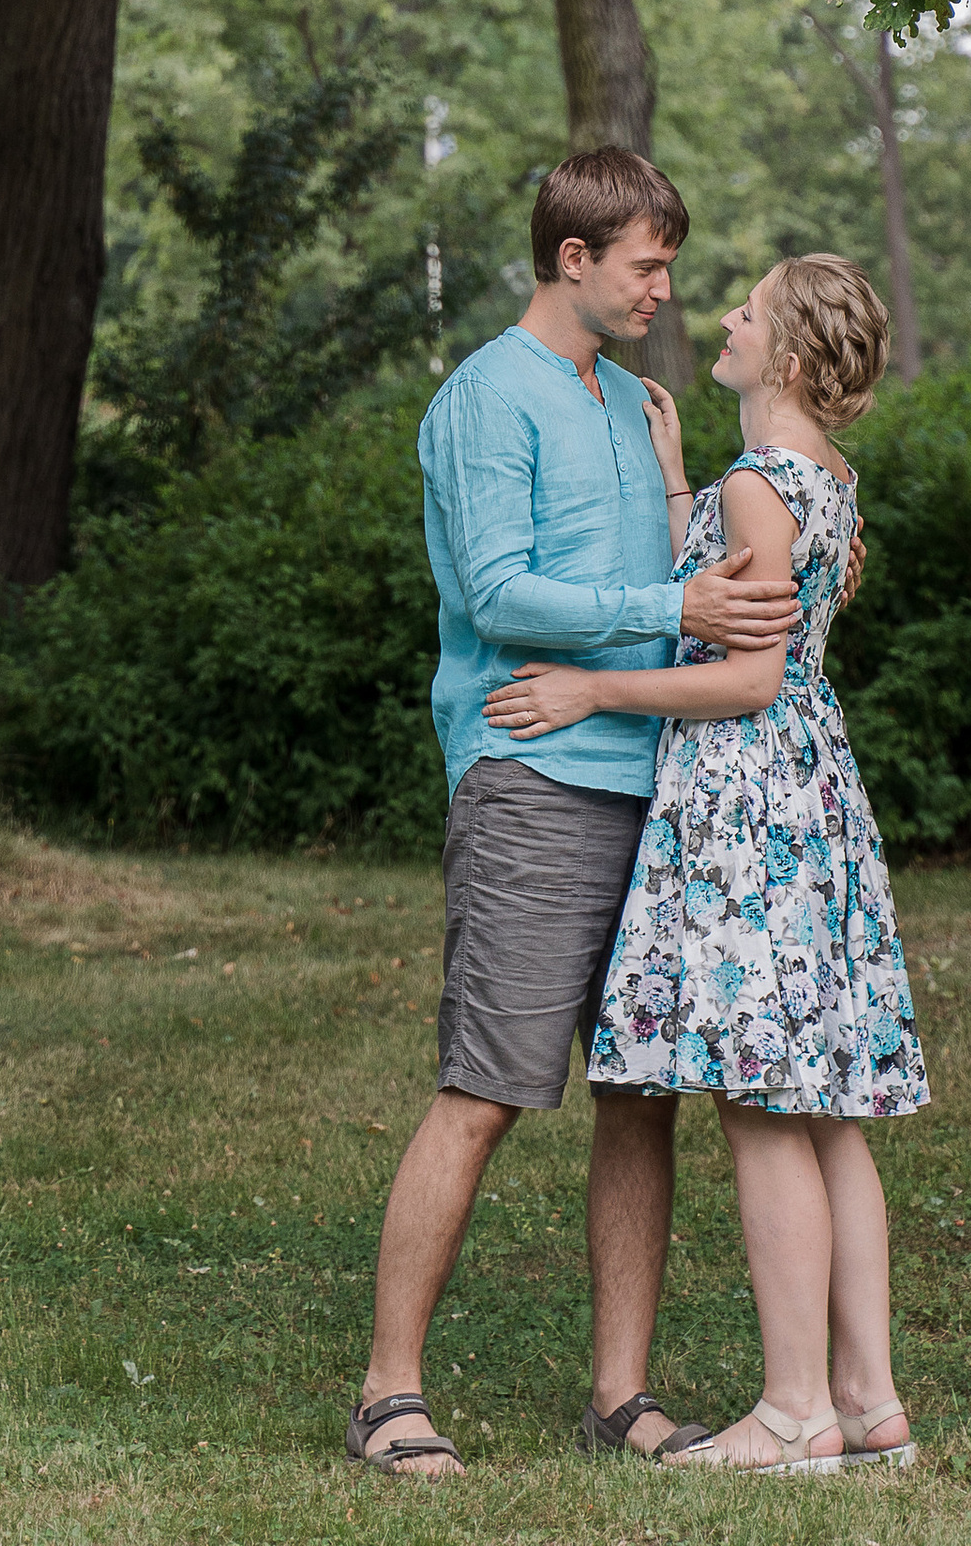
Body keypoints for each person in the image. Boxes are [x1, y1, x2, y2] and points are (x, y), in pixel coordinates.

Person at [344, 148, 802, 1482]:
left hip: (647, 781)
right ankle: (388, 1395)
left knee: (639, 1097)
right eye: (647, 263)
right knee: (485, 1090)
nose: (667, 285)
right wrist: (679, 608)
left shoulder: (623, 399)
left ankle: (620, 1396)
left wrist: (686, 534)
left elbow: (654, 568)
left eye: (669, 262)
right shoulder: (494, 398)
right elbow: (499, 594)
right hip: (532, 778)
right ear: (573, 261)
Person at [483, 251, 928, 1474]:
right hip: (810, 791)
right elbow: (740, 591)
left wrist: (589, 687)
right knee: (827, 1107)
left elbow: (744, 675)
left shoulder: (759, 484)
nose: (716, 318)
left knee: (761, 1100)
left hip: (746, 799)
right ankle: (865, 1396)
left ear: (783, 357)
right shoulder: (815, 474)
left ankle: (792, 1413)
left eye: (743, 309)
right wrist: (686, 480)